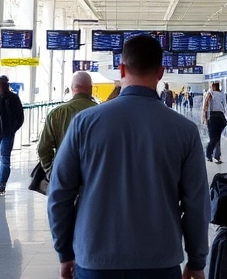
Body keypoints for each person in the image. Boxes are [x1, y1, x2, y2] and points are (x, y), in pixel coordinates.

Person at [48, 35, 209, 279]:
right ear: (161, 73)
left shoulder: (84, 123)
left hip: (95, 259)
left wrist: (65, 252)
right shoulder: (184, 129)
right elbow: (197, 203)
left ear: (122, 69)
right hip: (160, 262)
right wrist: (196, 261)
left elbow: (59, 193)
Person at [38, 71, 97, 177]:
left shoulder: (56, 113)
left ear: (72, 88)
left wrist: (50, 172)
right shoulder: (101, 112)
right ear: (91, 89)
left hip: (64, 174)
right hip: (94, 175)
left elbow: (43, 148)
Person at [202, 81, 227, 164]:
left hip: (212, 117)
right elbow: (225, 106)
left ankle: (208, 154)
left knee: (213, 137)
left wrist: (205, 118)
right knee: (217, 138)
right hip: (221, 116)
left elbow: (206, 107)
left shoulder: (209, 94)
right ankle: (216, 156)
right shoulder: (223, 95)